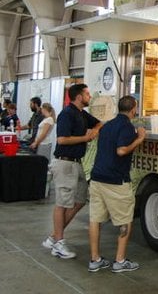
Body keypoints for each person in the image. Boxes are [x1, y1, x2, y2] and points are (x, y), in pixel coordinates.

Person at [42, 84, 102, 259]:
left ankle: (54, 237)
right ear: (78, 96)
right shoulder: (67, 114)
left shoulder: (82, 114)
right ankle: (59, 243)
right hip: (65, 163)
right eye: (87, 93)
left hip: (77, 163)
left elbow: (98, 123)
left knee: (80, 199)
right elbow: (62, 140)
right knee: (62, 203)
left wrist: (95, 130)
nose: (89, 96)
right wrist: (86, 137)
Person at [88, 95, 145, 273]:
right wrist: (139, 139)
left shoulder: (107, 125)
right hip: (116, 181)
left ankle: (95, 259)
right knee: (125, 220)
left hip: (97, 178)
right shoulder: (127, 127)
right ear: (133, 109)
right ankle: (119, 261)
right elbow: (121, 151)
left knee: (95, 219)